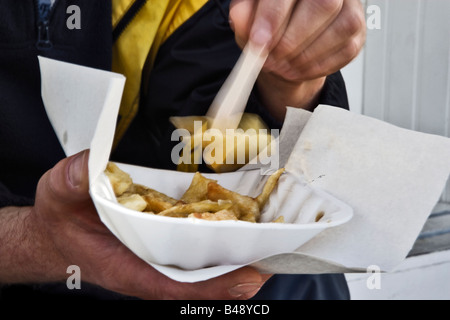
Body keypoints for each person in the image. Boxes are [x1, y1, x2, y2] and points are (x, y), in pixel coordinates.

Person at [0, 0, 365, 300]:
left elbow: (217, 137)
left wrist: (290, 82)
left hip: (159, 250)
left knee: (300, 283)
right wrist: (37, 242)